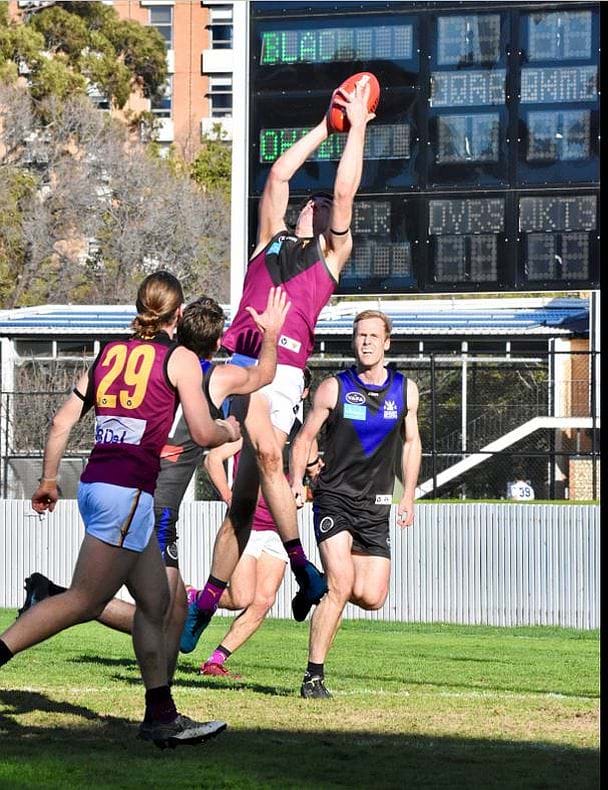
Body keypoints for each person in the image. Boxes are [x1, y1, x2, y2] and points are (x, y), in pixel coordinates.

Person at [0, 273, 245, 747]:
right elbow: (200, 431)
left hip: (98, 487)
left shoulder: (108, 353)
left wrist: (49, 480)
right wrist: (230, 431)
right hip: (128, 493)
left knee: (159, 604)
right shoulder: (180, 359)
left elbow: (60, 422)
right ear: (178, 316)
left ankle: (161, 715)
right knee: (84, 600)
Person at [182, 76, 376, 651]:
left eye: (321, 206)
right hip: (238, 361)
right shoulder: (267, 241)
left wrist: (358, 127)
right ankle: (296, 571)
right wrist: (325, 124)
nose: (314, 204)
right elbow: (279, 177)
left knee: (251, 486)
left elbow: (343, 195)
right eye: (309, 204)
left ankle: (215, 601)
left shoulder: (329, 258)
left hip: (281, 372)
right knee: (255, 477)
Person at [16, 293, 290, 683]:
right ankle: (49, 600)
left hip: (117, 488)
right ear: (216, 342)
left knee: (170, 609)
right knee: (112, 603)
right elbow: (262, 377)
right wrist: (272, 334)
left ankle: (162, 706)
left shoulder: (152, 363)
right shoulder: (202, 374)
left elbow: (68, 422)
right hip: (145, 503)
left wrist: (49, 478)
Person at [288, 311, 420, 699]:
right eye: (360, 335)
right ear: (354, 340)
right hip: (335, 499)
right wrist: (298, 481)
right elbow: (303, 438)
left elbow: (412, 444)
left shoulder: (405, 390)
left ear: (387, 343)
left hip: (378, 503)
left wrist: (407, 494)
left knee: (372, 596)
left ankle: (316, 586)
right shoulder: (333, 388)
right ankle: (313, 677)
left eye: (373, 336)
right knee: (342, 586)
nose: (366, 342)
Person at [198, 370, 313, 677]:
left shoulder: (303, 435)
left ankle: (216, 661)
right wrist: (229, 497)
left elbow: (310, 477)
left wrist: (303, 492)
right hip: (249, 525)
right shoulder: (263, 426)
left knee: (263, 601)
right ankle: (193, 598)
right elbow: (213, 459)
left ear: (302, 394)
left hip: (279, 531)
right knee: (240, 598)